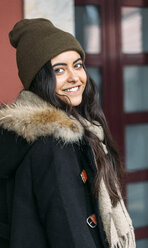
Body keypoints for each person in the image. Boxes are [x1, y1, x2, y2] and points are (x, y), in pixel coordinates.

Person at [0, 18, 136, 248]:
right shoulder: (55, 144)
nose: (74, 77)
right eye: (59, 70)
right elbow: (71, 233)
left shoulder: (68, 131)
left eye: (78, 64)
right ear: (39, 79)